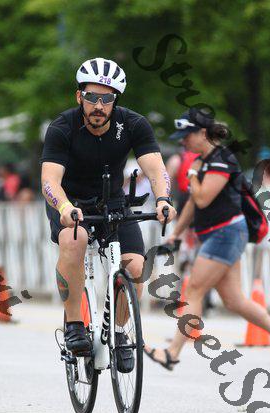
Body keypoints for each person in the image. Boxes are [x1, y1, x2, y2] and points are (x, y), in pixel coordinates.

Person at [40, 57, 176, 365]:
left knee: (136, 268)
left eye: (107, 99)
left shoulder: (134, 124)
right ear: (79, 97)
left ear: (116, 101)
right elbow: (49, 181)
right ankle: (75, 324)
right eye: (91, 97)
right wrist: (64, 207)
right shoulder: (62, 127)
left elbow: (156, 168)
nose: (98, 106)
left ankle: (119, 332)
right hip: (70, 202)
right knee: (74, 240)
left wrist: (163, 199)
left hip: (112, 200)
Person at [144, 108, 270, 374]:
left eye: (186, 136)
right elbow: (192, 203)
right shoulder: (204, 161)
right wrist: (176, 234)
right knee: (234, 300)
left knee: (194, 291)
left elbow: (203, 197)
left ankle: (172, 353)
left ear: (203, 133)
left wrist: (192, 174)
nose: (183, 142)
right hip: (219, 235)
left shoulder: (221, 160)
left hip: (225, 234)